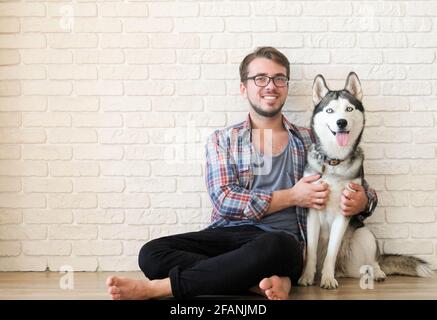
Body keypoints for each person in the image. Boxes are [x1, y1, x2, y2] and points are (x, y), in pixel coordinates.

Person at [106, 47, 377, 300]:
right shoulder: (223, 140)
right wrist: (293, 196)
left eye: (279, 79)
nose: (270, 85)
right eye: (260, 78)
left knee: (273, 246)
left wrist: (363, 200)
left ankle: (160, 288)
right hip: (228, 234)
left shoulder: (312, 139)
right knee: (152, 254)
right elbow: (225, 199)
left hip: (284, 244)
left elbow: (357, 185)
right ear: (243, 87)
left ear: (286, 87)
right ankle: (252, 281)